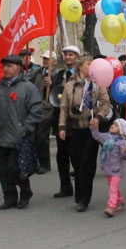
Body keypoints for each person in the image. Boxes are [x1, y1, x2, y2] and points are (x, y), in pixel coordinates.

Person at [58, 55, 112, 212]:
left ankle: (83, 199)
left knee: (87, 163)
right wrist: (62, 127)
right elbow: (63, 107)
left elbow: (105, 103)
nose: (91, 67)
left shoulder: (97, 84)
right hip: (75, 128)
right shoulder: (69, 85)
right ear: (80, 66)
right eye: (89, 64)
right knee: (76, 160)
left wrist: (99, 117)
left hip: (90, 128)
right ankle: (79, 193)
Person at [0, 54, 44, 210]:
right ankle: (9, 197)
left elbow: (36, 109)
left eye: (10, 66)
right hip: (1, 135)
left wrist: (25, 127)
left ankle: (25, 192)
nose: (6, 69)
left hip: (19, 136)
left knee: (15, 169)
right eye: (5, 66)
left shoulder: (28, 88)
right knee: (2, 171)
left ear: (18, 68)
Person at [52, 45, 80, 198]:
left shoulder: (81, 75)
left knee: (75, 154)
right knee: (61, 156)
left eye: (71, 55)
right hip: (60, 120)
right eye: (66, 55)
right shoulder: (58, 75)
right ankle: (65, 187)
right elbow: (52, 96)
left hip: (75, 119)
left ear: (76, 58)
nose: (68, 57)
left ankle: (81, 187)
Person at [90, 117, 126, 217]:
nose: (113, 125)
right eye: (113, 124)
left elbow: (125, 156)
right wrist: (94, 128)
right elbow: (97, 136)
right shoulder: (107, 137)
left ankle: (111, 207)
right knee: (113, 188)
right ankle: (120, 200)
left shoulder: (122, 142)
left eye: (116, 125)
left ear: (121, 130)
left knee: (113, 189)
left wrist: (125, 152)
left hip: (116, 170)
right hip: (108, 169)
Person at [28, 50, 56, 174]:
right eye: (44, 58)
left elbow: (59, 89)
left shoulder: (56, 73)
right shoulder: (37, 72)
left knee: (42, 137)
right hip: (35, 107)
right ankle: (36, 162)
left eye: (48, 59)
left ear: (54, 61)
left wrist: (52, 83)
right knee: (34, 136)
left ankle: (45, 164)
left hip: (47, 108)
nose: (45, 61)